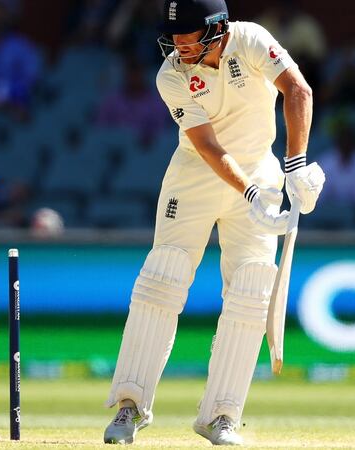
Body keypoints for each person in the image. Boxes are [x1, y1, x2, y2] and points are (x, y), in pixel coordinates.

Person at [103, 0, 325, 445]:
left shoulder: (250, 38)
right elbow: (206, 145)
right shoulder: (171, 74)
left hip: (260, 168)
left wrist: (296, 165)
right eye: (174, 39)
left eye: (188, 38)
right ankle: (130, 406)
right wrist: (247, 193)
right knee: (162, 278)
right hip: (195, 175)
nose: (179, 49)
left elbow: (297, 90)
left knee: (250, 288)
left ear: (217, 27)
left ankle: (222, 415)